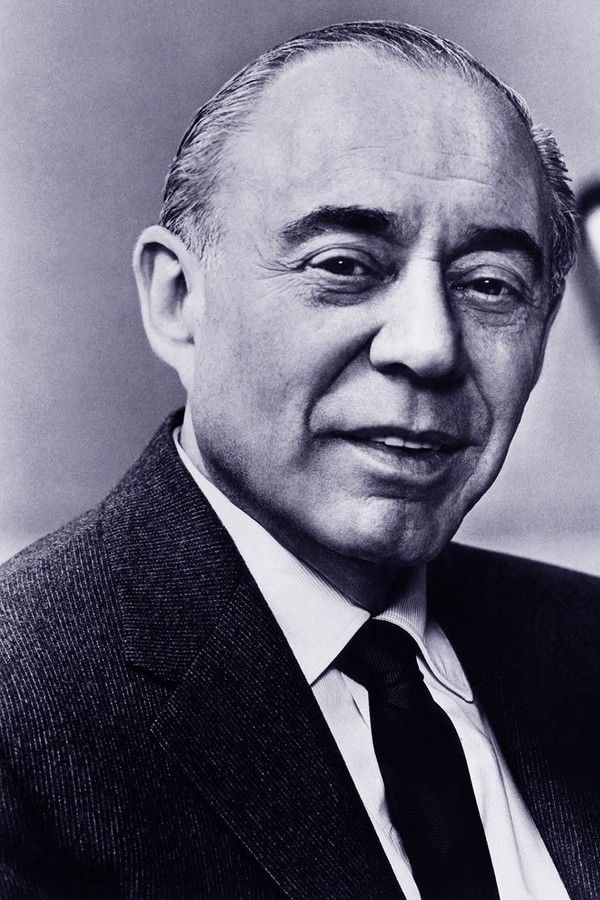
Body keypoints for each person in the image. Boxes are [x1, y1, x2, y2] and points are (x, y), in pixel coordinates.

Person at [1, 19, 598, 900]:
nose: (429, 346)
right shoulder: (24, 709)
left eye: (489, 285)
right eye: (345, 265)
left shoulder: (584, 644)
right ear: (178, 300)